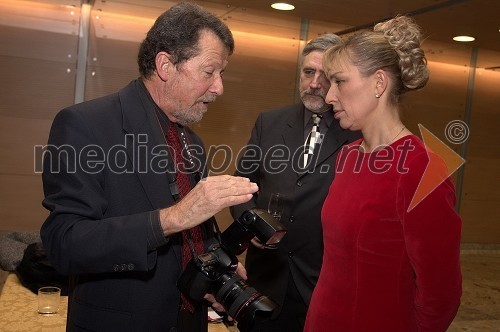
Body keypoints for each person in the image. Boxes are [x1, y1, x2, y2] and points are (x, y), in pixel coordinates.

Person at [40, 3, 258, 332]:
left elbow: (194, 232)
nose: (218, 88)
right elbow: (64, 244)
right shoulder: (85, 125)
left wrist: (215, 272)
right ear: (166, 65)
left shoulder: (192, 143)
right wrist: (171, 218)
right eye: (209, 72)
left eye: (221, 74)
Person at [304, 16, 462, 332]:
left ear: (378, 83)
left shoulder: (422, 167)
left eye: (340, 81)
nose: (329, 95)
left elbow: (440, 294)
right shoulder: (349, 156)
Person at [230, 34, 361, 331]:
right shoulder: (270, 122)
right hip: (264, 279)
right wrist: (249, 224)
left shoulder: (358, 134)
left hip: (322, 284)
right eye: (308, 72)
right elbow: (242, 182)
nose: (315, 83)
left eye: (325, 75)